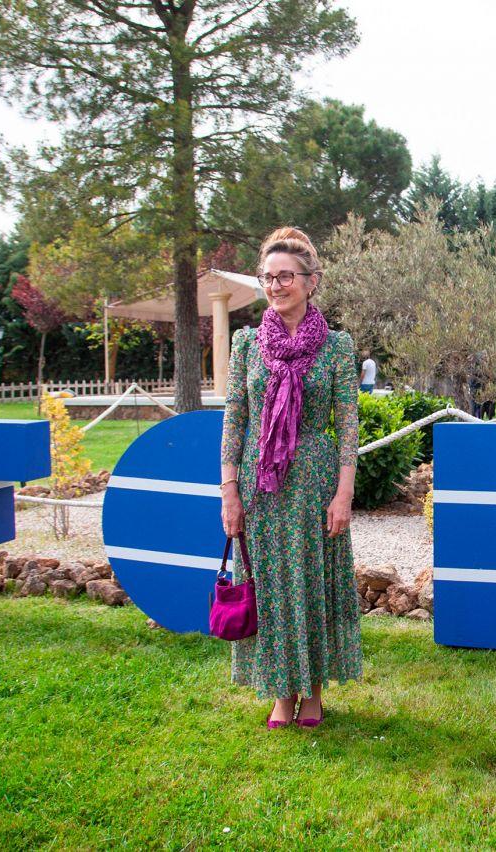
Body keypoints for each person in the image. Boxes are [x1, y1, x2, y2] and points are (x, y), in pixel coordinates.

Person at [220, 226, 361, 729]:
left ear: (311, 281)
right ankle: (281, 691)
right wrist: (229, 491)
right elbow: (235, 419)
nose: (275, 285)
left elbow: (348, 425)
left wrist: (344, 494)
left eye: (286, 276)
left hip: (315, 483)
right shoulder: (246, 344)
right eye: (268, 277)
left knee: (313, 585)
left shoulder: (337, 347)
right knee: (271, 585)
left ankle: (314, 691)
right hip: (260, 485)